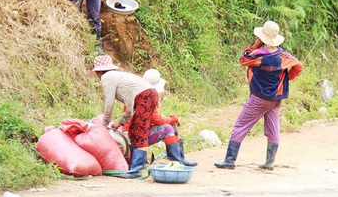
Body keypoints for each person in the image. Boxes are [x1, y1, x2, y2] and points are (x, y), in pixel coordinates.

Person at [215, 20, 303, 171]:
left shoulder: (259, 57)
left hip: (259, 98)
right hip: (276, 98)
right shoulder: (282, 56)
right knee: (273, 127)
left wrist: (256, 45)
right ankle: (269, 162)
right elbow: (298, 66)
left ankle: (230, 160)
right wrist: (286, 78)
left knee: (241, 125)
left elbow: (244, 59)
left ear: (262, 38)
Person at [88, 54, 158, 178]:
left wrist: (104, 124)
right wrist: (121, 122)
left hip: (146, 96)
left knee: (139, 132)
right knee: (133, 130)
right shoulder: (119, 77)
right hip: (148, 95)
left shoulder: (107, 77)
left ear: (99, 72)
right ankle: (135, 166)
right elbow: (131, 106)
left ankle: (136, 170)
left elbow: (109, 103)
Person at [122, 69, 197, 167]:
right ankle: (176, 161)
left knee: (171, 127)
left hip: (134, 132)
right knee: (168, 129)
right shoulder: (148, 97)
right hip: (134, 135)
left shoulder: (137, 93)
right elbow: (157, 120)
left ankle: (179, 159)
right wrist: (173, 119)